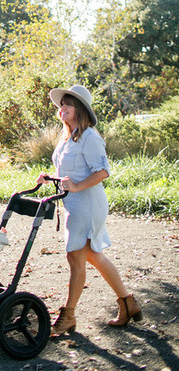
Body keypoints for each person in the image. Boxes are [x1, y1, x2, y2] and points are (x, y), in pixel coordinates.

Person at [37, 84, 142, 335]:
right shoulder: (66, 137)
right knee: (93, 255)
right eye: (61, 104)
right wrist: (49, 177)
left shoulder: (90, 137)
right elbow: (69, 173)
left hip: (88, 204)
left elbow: (103, 172)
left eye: (68, 104)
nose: (62, 108)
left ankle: (69, 314)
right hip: (73, 204)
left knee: (75, 257)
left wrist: (77, 186)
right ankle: (128, 303)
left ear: (80, 109)